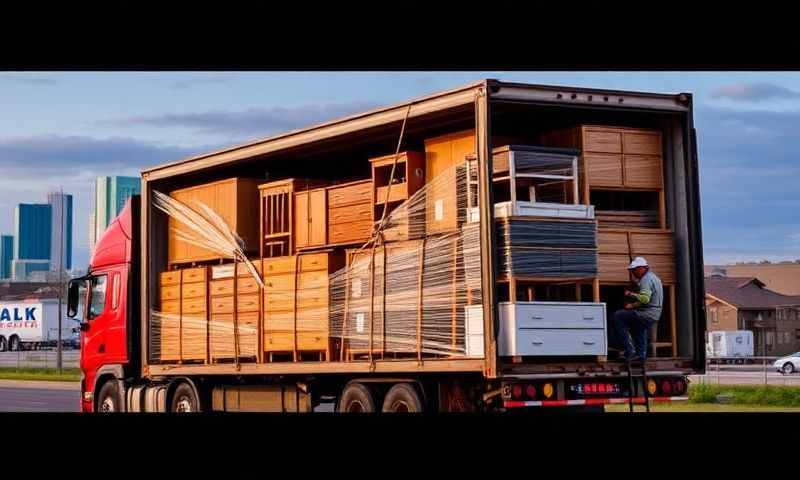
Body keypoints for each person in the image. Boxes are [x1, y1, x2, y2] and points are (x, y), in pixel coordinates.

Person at [612, 257, 663, 362]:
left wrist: (631, 294)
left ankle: (630, 350)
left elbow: (645, 299)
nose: (633, 273)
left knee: (618, 316)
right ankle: (641, 355)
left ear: (641, 268)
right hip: (654, 313)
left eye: (634, 270)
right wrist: (632, 306)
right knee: (639, 328)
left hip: (647, 313)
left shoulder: (645, 280)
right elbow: (649, 299)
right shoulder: (654, 277)